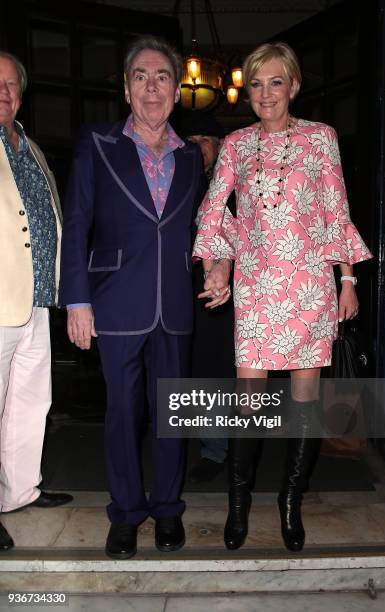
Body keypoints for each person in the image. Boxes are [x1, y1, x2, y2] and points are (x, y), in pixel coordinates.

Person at [192, 42, 372, 552]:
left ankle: (290, 502)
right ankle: (238, 505)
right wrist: (216, 265)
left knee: (303, 403)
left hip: (310, 285)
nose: (265, 93)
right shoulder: (235, 144)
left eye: (276, 82)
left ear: (293, 86)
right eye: (256, 83)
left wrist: (348, 280)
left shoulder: (321, 139)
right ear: (247, 90)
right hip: (256, 287)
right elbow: (212, 210)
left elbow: (335, 209)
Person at [59, 36, 204, 560]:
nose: (152, 87)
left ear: (176, 90)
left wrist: (216, 261)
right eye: (141, 76)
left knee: (174, 413)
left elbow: (200, 227)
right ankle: (125, 513)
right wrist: (77, 299)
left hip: (175, 305)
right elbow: (75, 223)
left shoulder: (191, 157)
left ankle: (167, 509)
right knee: (122, 413)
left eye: (162, 76)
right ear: (126, 88)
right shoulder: (98, 143)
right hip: (115, 301)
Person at [0, 51, 72, 550]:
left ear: (20, 95)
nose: (2, 93)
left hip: (37, 300)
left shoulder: (28, 146)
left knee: (30, 402)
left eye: (9, 85)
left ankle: (19, 491)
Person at [181, 112, 235, 483]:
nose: (198, 145)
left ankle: (217, 451)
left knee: (218, 367)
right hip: (183, 288)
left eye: (206, 139)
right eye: (192, 138)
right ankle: (212, 445)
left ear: (219, 146)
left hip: (228, 289)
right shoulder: (179, 180)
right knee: (199, 368)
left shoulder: (233, 182)